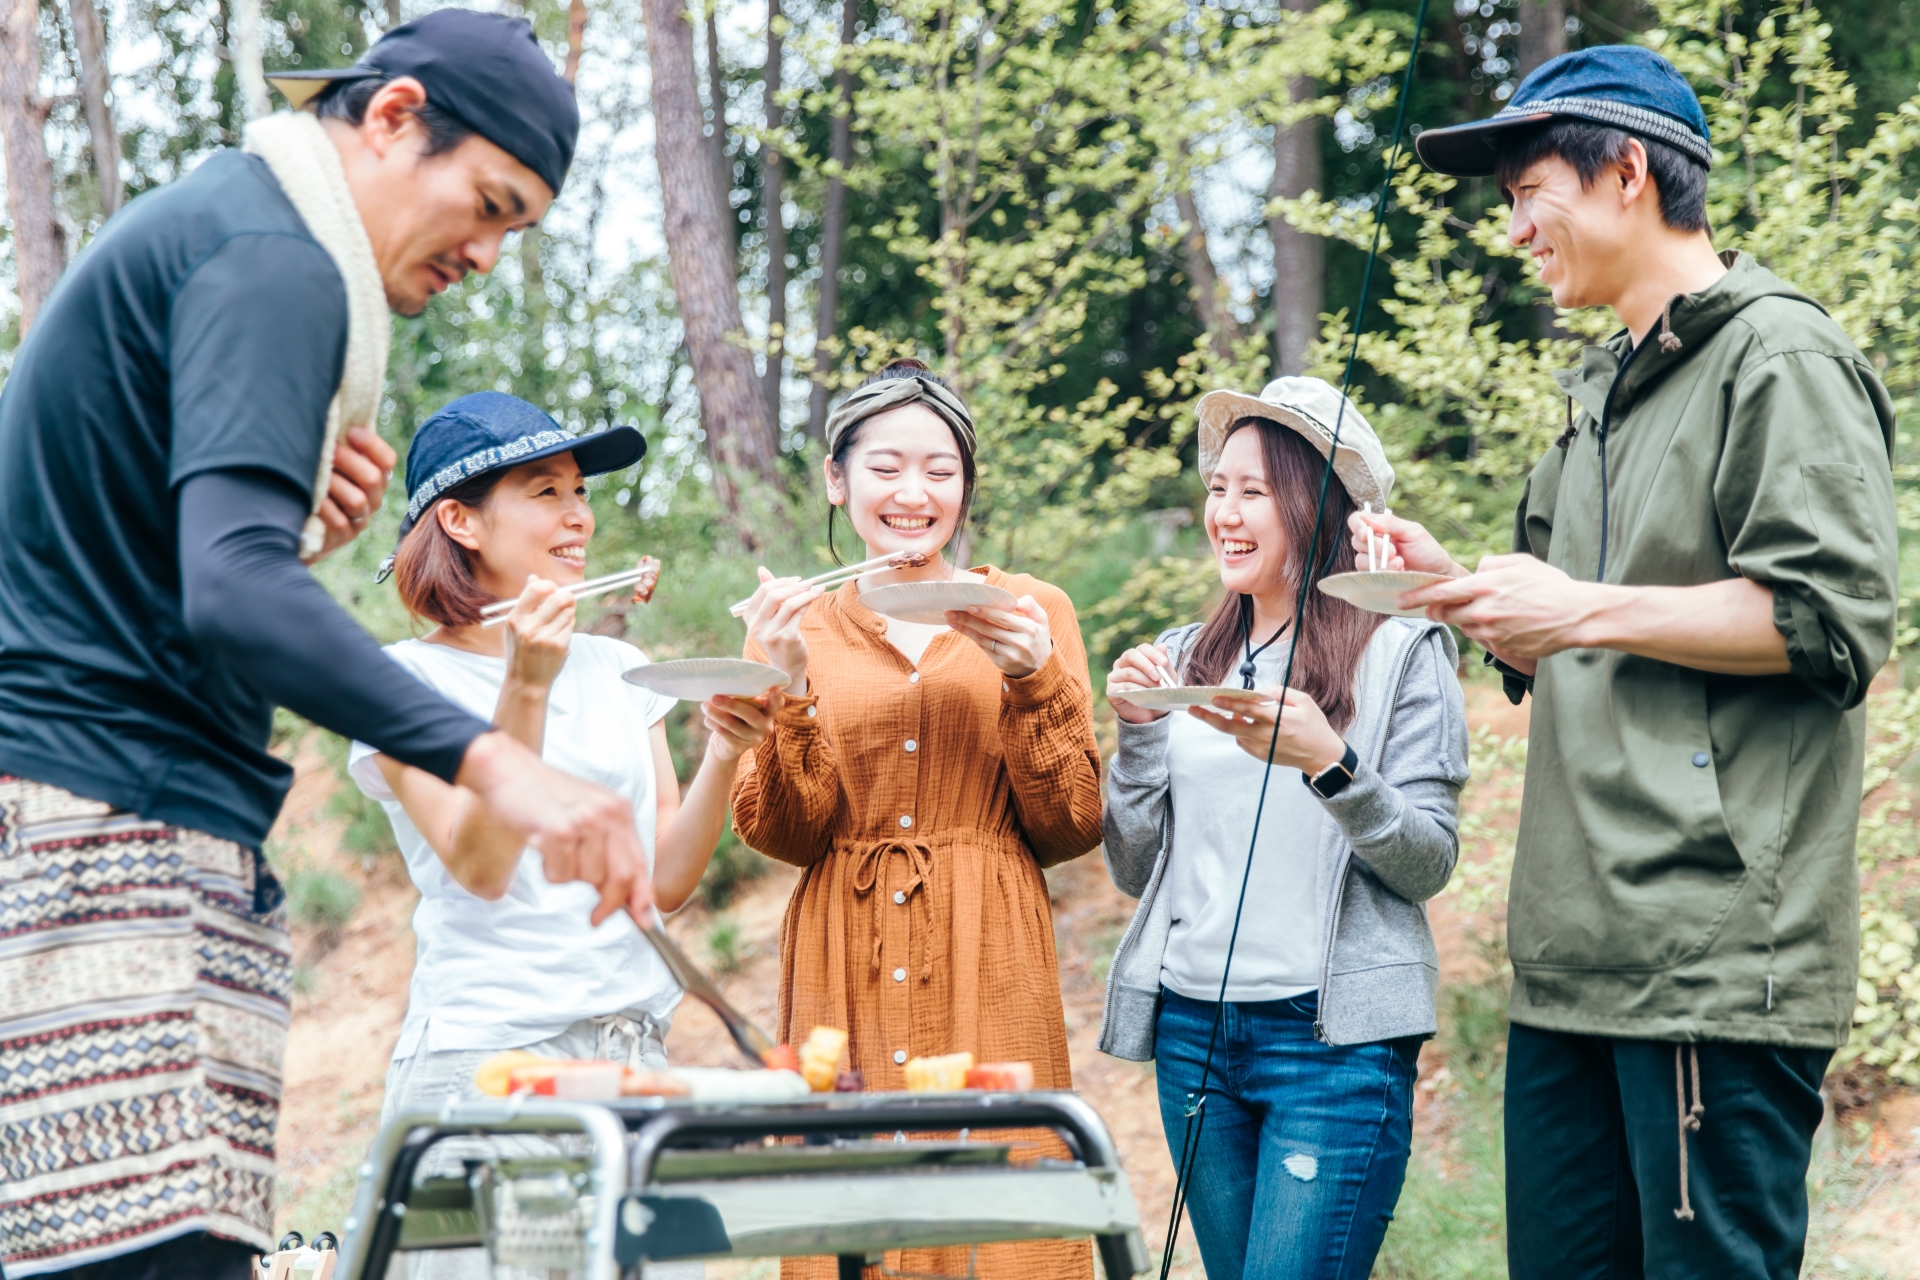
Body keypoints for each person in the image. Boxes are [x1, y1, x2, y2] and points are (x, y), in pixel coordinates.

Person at [0, 13, 653, 1278]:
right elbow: (227, 594)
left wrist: (287, 532)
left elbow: (158, 568)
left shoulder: (226, 224)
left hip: (87, 822)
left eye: (517, 230)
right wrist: (498, 760)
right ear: (394, 117)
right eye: (489, 205)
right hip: (111, 837)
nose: (486, 254)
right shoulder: (278, 256)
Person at [1360, 45, 1898, 1280]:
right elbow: (1571, 637)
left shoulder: (1782, 357)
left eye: (1528, 193)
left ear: (1626, 174)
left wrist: (1581, 608)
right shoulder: (1598, 388)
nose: (1514, 230)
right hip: (1570, 958)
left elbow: (1830, 621)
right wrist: (1460, 589)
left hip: (1709, 960)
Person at [346, 393, 763, 1280]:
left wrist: (728, 748)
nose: (580, 516)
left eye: (581, 491)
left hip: (634, 1064)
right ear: (459, 520)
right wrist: (525, 687)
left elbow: (665, 880)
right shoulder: (399, 684)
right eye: (545, 492)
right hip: (493, 1068)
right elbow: (481, 865)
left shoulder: (619, 668)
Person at [728, 358, 1104, 1280]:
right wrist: (786, 683)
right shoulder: (795, 627)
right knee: (847, 1228)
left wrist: (1034, 678)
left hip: (989, 953)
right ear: (837, 479)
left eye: (940, 470)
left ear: (966, 486)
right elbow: (783, 833)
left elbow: (1072, 823)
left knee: (1003, 1233)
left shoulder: (1031, 612)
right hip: (840, 960)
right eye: (886, 467)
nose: (913, 493)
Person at [1099, 379, 1468, 1280]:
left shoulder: (1403, 654)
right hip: (1193, 1037)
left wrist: (1331, 764)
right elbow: (1133, 866)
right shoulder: (1182, 658)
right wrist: (1138, 735)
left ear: (1315, 505)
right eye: (1217, 487)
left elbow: (1428, 861)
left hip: (1331, 1049)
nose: (1224, 513)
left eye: (1254, 491)